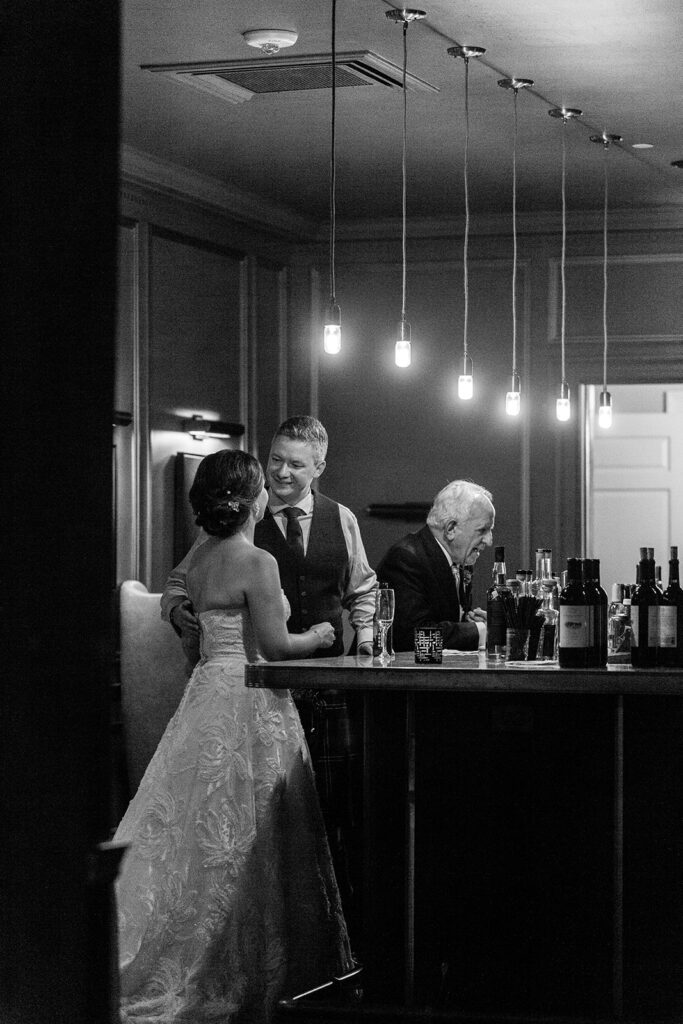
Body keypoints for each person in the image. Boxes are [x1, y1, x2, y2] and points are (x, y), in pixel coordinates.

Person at [114, 450, 353, 1023]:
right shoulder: (257, 561)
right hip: (251, 696)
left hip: (204, 697)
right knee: (253, 830)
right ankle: (252, 967)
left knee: (189, 825)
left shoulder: (198, 559)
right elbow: (275, 647)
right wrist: (320, 635)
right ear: (253, 501)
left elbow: (188, 612)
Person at [161, 416, 377, 941]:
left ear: (318, 467)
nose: (281, 472)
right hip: (256, 689)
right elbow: (178, 583)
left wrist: (367, 644)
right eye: (275, 459)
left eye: (295, 464)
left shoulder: (342, 519)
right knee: (254, 817)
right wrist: (179, 612)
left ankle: (336, 929)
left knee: (330, 813)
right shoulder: (235, 520)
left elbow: (363, 589)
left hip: (327, 688)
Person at [377, 480, 495, 651]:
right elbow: (413, 639)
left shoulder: (458, 559)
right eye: (482, 530)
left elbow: (442, 622)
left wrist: (469, 622)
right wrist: (480, 631)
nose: (489, 541)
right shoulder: (405, 559)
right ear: (451, 529)